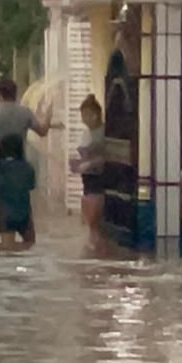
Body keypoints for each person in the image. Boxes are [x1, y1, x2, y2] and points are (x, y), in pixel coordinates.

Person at [0, 77, 53, 179]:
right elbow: (42, 132)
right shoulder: (25, 113)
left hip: (0, 166)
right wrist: (49, 115)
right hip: (20, 164)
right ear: (15, 94)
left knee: (0, 193)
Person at [70, 95, 106, 249]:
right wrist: (78, 163)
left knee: (94, 213)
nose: (83, 119)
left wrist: (89, 163)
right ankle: (93, 240)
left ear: (95, 115)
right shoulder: (87, 133)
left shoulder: (102, 133)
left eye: (85, 115)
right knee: (90, 215)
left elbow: (106, 156)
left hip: (98, 177)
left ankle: (97, 241)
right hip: (88, 177)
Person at [0, 134, 37, 251]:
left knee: (7, 250)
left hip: (5, 215)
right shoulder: (27, 167)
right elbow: (31, 186)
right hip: (24, 213)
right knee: (29, 245)